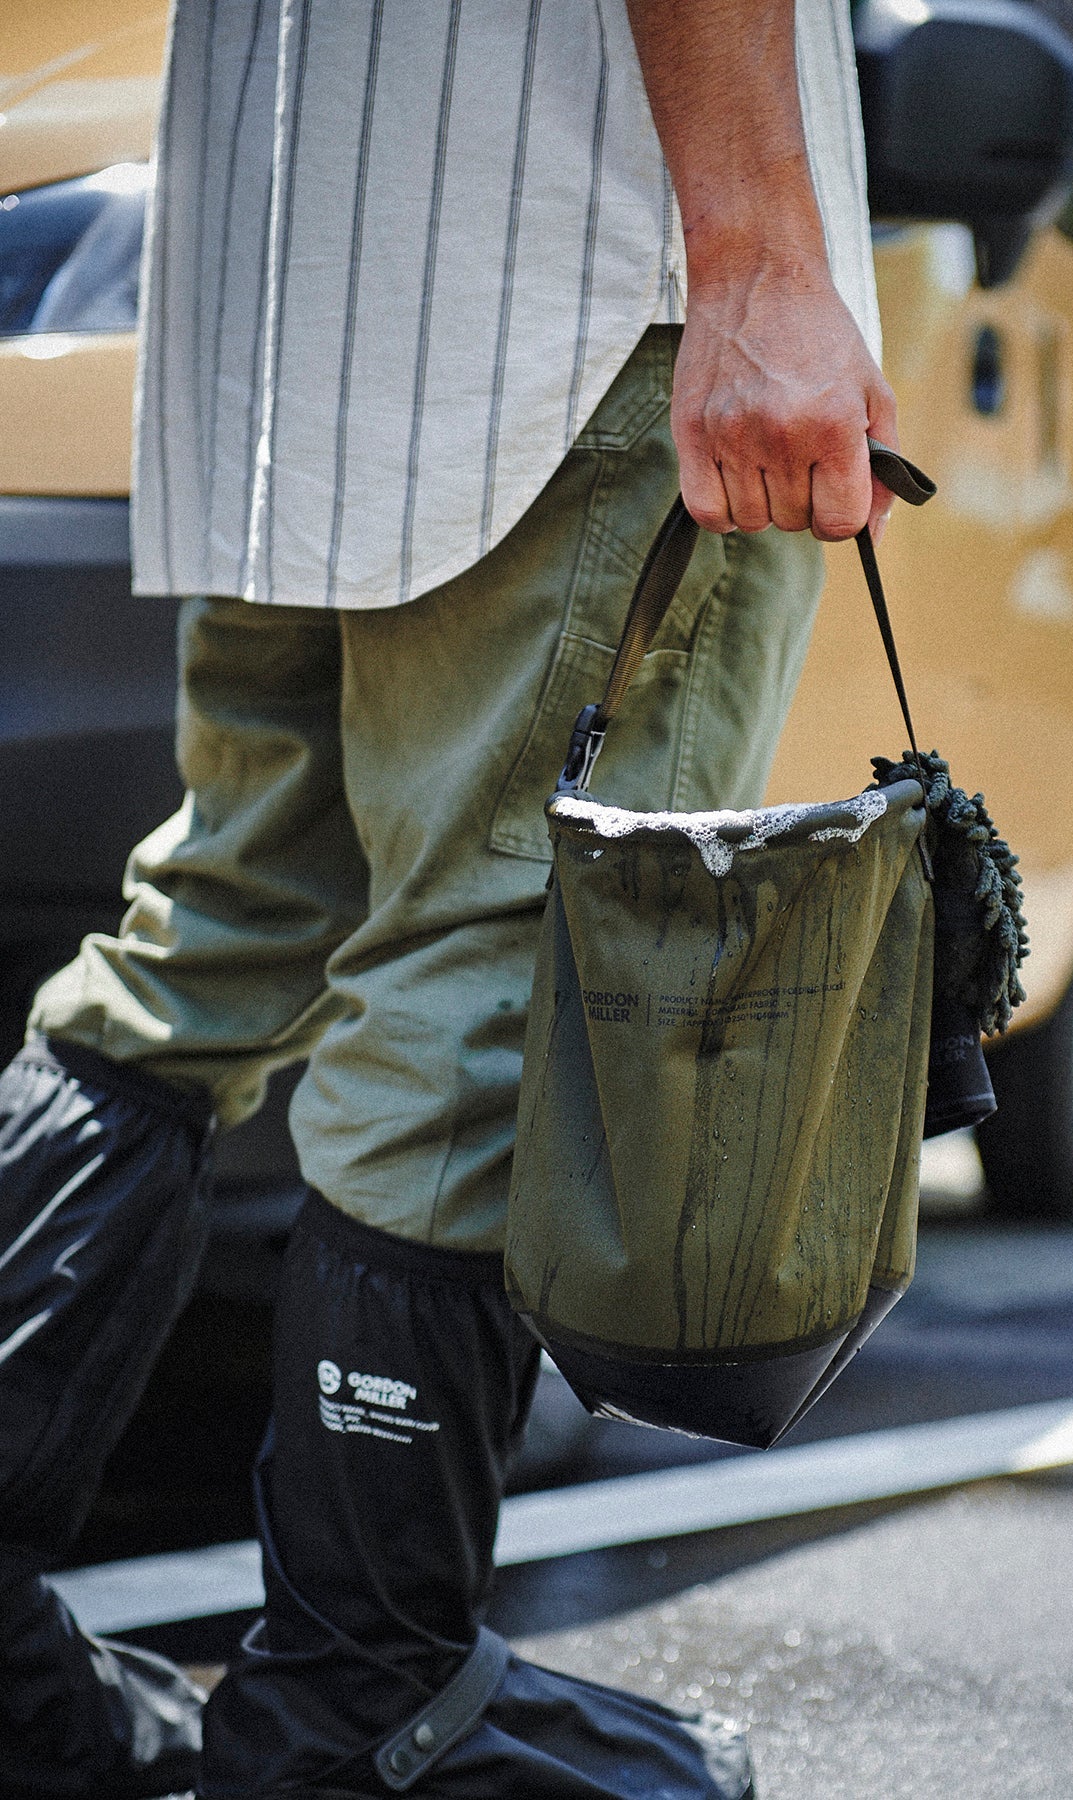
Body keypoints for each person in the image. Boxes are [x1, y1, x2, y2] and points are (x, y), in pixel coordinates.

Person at [0, 1, 898, 1795]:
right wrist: (761, 252)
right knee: (497, 974)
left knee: (217, 931)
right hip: (566, 272)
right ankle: (361, 1694)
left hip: (280, 270)